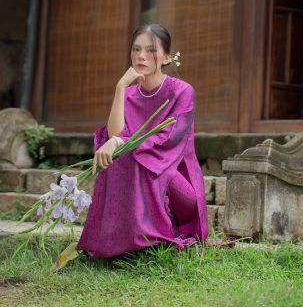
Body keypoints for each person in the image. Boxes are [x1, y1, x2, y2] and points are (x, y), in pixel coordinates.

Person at [76, 24, 209, 258]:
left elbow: (167, 140)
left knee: (136, 156)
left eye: (151, 50)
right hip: (141, 185)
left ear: (166, 57)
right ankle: (123, 238)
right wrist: (120, 88)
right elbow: (115, 135)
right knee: (121, 155)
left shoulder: (182, 91)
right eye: (136, 49)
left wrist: (119, 143)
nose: (141, 56)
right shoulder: (127, 94)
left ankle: (149, 237)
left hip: (177, 190)